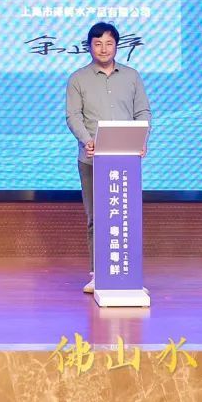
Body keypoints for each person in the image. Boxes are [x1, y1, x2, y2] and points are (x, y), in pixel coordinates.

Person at [66, 22, 151, 293]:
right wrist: (86, 140)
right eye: (98, 43)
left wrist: (142, 139)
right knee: (97, 217)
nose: (103, 49)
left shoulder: (132, 76)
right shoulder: (78, 78)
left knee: (127, 217)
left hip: (125, 160)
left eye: (109, 43)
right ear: (89, 46)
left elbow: (143, 113)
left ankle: (129, 275)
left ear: (116, 46)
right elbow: (73, 116)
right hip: (92, 160)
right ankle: (97, 274)